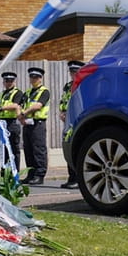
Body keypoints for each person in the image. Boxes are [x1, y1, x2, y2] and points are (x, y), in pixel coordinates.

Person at [18, 67, 50, 185]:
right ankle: (30, 174)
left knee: (39, 149)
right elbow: (20, 105)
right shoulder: (27, 92)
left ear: (40, 78)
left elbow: (38, 105)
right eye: (32, 77)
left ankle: (39, 175)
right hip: (27, 123)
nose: (33, 79)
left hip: (38, 123)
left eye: (36, 77)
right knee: (28, 149)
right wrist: (21, 117)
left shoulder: (44, 91)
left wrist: (24, 113)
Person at [59, 60, 84, 189]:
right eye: (71, 72)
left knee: (77, 148)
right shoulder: (68, 86)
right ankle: (72, 177)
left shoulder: (83, 84)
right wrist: (62, 112)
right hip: (68, 121)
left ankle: (78, 179)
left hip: (78, 120)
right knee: (69, 146)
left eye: (75, 71)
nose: (72, 74)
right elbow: (64, 100)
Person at [0, 72, 23, 172]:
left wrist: (2, 108)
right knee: (3, 150)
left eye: (11, 81)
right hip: (2, 123)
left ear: (14, 81)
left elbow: (15, 105)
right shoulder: (1, 94)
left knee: (13, 149)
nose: (9, 83)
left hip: (12, 123)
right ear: (3, 82)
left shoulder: (18, 93)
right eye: (7, 81)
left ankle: (14, 172)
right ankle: (4, 172)